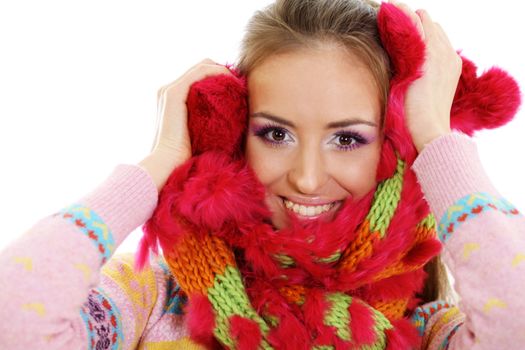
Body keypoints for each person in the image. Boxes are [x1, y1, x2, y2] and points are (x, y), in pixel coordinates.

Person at [0, 0, 523, 349]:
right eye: (275, 134)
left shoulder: (428, 330)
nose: (308, 179)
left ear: (395, 149)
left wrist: (433, 134)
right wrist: (161, 161)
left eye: (348, 138)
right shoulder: (155, 294)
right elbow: (15, 321)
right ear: (228, 135)